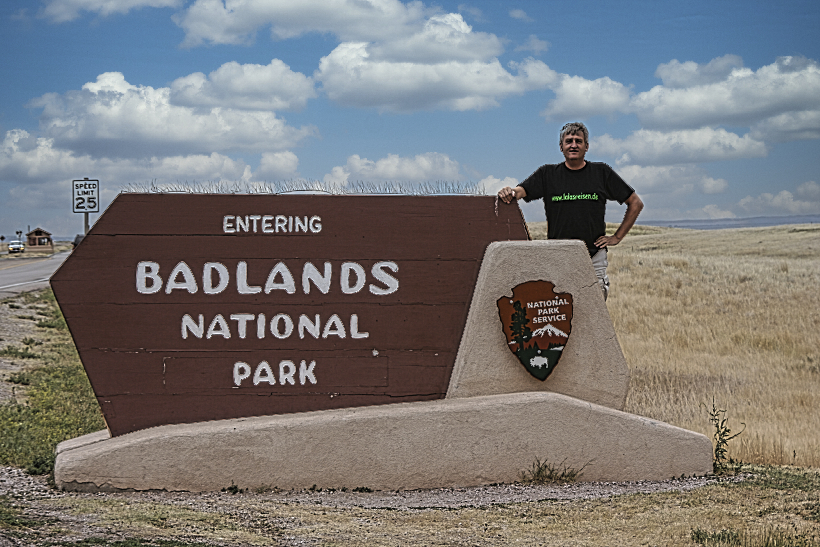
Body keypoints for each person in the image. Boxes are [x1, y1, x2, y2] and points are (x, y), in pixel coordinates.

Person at [497, 122, 643, 300]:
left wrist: (617, 237)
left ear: (586, 146)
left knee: (594, 316)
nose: (573, 145)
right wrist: (510, 192)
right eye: (569, 141)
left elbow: (635, 203)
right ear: (561, 147)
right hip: (558, 258)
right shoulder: (547, 174)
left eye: (578, 141)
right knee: (561, 315)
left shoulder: (601, 173)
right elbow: (520, 191)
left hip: (593, 257)